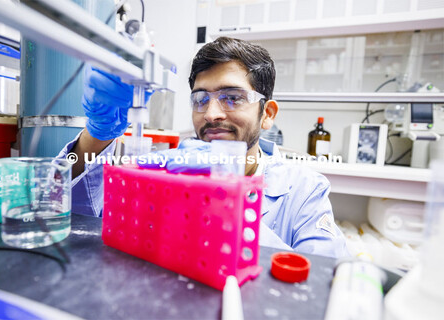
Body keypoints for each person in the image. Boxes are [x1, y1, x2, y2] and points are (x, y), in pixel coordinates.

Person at [57, 37, 348, 258]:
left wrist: (225, 205)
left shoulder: (304, 191)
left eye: (232, 98)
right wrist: (96, 135)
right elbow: (76, 215)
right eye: (200, 99)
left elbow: (324, 284)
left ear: (268, 113)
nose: (211, 114)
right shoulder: (167, 169)